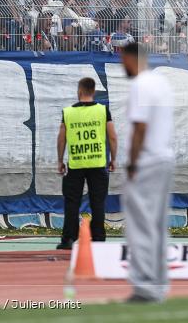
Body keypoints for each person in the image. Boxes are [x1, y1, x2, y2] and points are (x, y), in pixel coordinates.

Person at [121, 42, 175, 303]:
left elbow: (139, 128)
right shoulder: (161, 82)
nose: (123, 66)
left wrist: (132, 163)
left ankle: (144, 285)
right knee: (157, 224)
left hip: (147, 160)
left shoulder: (140, 85)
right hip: (164, 156)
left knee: (140, 224)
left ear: (132, 59)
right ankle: (159, 282)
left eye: (123, 60)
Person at [56, 77, 117, 250]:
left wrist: (60, 161)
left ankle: (68, 238)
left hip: (75, 164)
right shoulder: (103, 111)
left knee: (72, 202)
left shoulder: (68, 112)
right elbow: (112, 136)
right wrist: (113, 158)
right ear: (93, 91)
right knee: (97, 202)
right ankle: (98, 238)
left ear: (80, 91)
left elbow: (62, 139)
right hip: (98, 162)